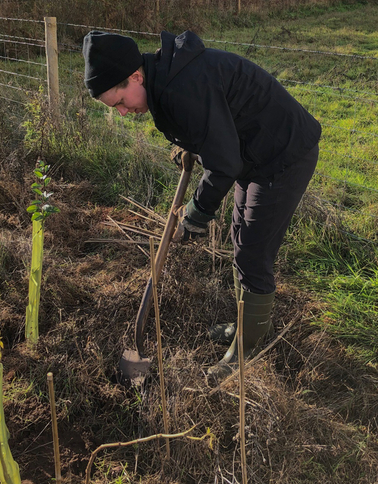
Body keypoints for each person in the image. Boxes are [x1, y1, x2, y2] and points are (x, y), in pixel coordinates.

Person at [82, 29, 321, 382]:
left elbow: (224, 164)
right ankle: (247, 326)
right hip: (253, 151)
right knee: (240, 237)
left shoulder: (181, 86)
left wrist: (197, 212)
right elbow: (211, 121)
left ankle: (247, 350)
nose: (121, 112)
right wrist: (189, 143)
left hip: (282, 154)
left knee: (253, 250)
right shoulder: (163, 78)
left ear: (135, 76)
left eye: (118, 102)